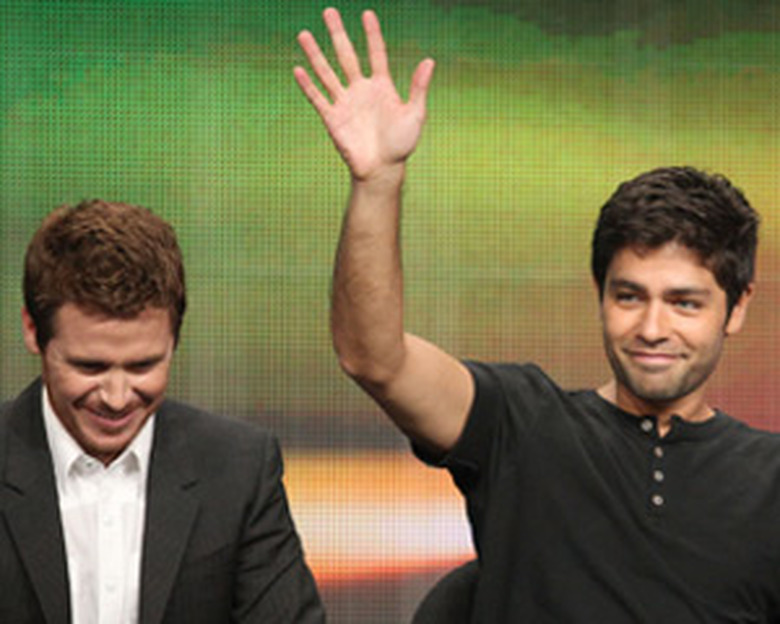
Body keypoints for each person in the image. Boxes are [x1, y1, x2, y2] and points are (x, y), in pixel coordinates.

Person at [295, 8, 780, 622]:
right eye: (629, 296)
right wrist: (378, 182)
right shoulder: (521, 423)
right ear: (600, 293)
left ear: (737, 307)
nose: (652, 328)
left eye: (684, 302)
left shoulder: (770, 477)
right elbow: (374, 358)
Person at [0, 200, 324, 623]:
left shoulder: (238, 467)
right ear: (32, 331)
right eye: (90, 367)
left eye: (143, 366)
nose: (117, 398)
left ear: (175, 339)